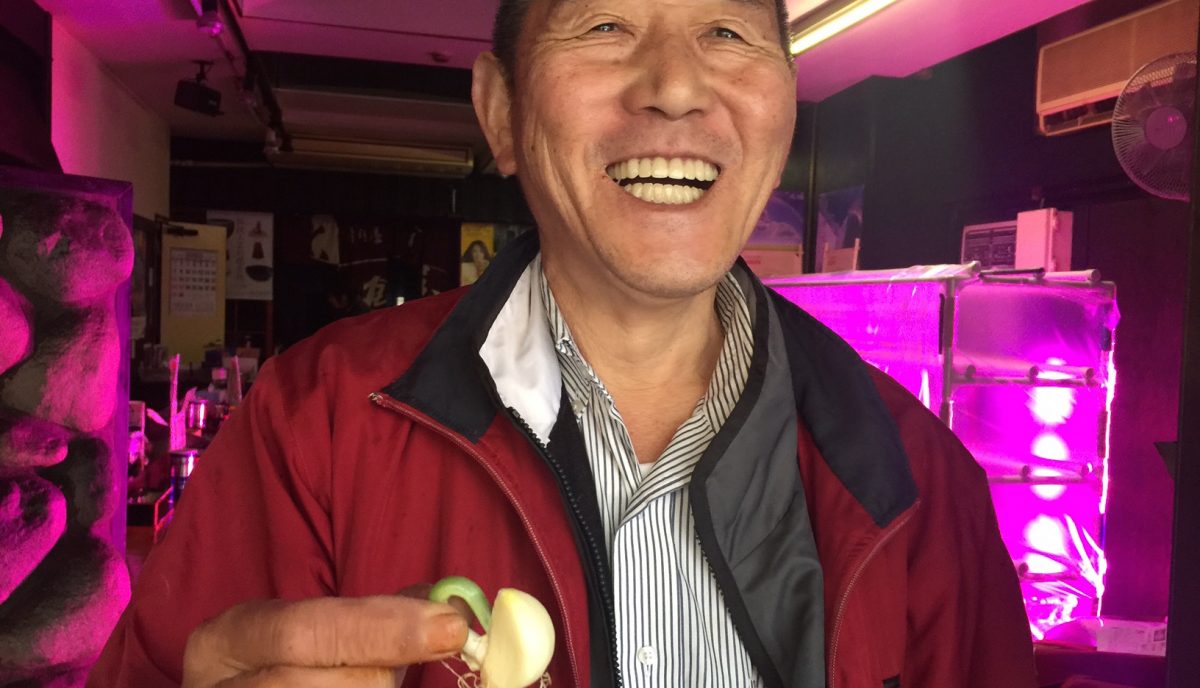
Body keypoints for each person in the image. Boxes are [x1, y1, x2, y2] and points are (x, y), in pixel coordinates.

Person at [91, 1, 1038, 686]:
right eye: (604, 23)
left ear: (785, 105)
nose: (676, 88)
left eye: (727, 30)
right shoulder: (315, 425)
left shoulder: (920, 482)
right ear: (501, 112)